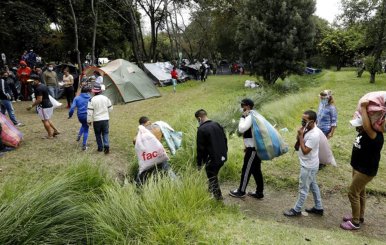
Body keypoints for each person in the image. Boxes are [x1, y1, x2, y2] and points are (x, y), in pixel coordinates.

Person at [340, 100, 384, 230]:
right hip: (358, 167)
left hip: (365, 171)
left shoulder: (374, 135)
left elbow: (365, 124)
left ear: (366, 125)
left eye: (359, 125)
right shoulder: (364, 132)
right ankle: (359, 216)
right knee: (360, 193)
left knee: (352, 193)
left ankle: (355, 222)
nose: (356, 127)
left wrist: (364, 108)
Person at [284, 110, 323, 217]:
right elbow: (298, 145)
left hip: (308, 166)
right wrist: (300, 135)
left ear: (312, 121)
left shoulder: (314, 134)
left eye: (305, 120)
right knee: (313, 186)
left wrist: (301, 136)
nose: (302, 122)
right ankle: (319, 207)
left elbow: (305, 151)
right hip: (309, 164)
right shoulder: (307, 128)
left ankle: (297, 210)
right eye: (302, 119)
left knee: (303, 188)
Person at [229, 99, 264, 199]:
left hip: (252, 149)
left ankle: (241, 191)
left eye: (243, 105)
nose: (242, 108)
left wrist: (242, 117)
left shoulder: (249, 116)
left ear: (248, 106)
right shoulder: (254, 115)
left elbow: (241, 129)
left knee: (246, 170)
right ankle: (259, 192)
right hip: (253, 147)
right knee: (256, 170)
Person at [195, 109, 228, 200]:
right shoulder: (216, 124)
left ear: (199, 118)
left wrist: (199, 163)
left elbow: (200, 149)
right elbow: (225, 139)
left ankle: (218, 197)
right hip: (222, 156)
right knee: (214, 174)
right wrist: (225, 152)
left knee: (212, 176)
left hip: (212, 158)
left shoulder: (201, 129)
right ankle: (210, 190)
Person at [134, 116, 177, 184]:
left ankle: (137, 186)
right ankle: (176, 182)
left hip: (148, 157)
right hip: (158, 153)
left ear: (141, 124)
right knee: (166, 168)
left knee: (142, 172)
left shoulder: (141, 133)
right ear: (148, 121)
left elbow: (134, 141)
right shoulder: (157, 127)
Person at [26, 74, 59, 139]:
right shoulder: (43, 85)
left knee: (44, 121)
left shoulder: (38, 88)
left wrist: (31, 106)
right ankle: (55, 130)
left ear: (37, 80)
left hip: (44, 107)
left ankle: (50, 135)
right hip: (48, 105)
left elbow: (39, 100)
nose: (31, 83)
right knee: (47, 119)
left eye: (32, 81)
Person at [87, 83, 113, 154]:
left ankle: (100, 148)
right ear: (100, 91)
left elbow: (89, 112)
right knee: (105, 133)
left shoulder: (91, 100)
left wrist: (89, 121)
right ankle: (106, 145)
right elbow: (110, 108)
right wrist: (106, 113)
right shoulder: (106, 98)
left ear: (93, 91)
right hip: (105, 119)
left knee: (98, 134)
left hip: (96, 120)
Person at [317, 90, 337, 169]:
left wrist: (331, 132)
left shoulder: (332, 108)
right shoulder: (321, 105)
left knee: (322, 146)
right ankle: (317, 160)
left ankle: (322, 162)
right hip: (318, 128)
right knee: (317, 144)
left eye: (323, 98)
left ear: (328, 98)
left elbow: (334, 122)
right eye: (321, 98)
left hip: (326, 129)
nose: (321, 99)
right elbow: (318, 115)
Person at [69, 86, 91, 151]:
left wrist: (70, 115)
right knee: (86, 129)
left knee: (83, 125)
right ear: (88, 92)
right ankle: (84, 145)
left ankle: (79, 136)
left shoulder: (77, 98)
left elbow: (72, 108)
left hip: (80, 116)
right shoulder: (90, 98)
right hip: (88, 115)